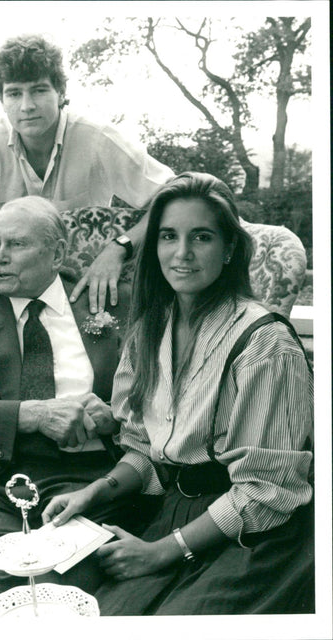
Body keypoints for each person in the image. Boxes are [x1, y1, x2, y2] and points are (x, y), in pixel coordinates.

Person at [41, 172, 314, 615]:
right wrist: (96, 492)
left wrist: (163, 552)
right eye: (168, 236)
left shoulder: (265, 345)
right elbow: (146, 449)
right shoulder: (151, 328)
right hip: (170, 510)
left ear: (229, 250)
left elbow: (267, 491)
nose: (181, 253)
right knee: (75, 606)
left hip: (253, 533)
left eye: (201, 237)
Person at [0, 195, 141, 595]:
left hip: (90, 482)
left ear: (57, 254)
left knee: (62, 588)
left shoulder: (108, 301)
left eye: (15, 245)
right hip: (3, 483)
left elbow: (159, 402)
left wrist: (113, 418)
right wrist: (29, 415)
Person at [0, 34, 174, 314]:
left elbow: (175, 196)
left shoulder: (97, 137)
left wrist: (119, 247)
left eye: (39, 90)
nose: (27, 106)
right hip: (13, 289)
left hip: (84, 287)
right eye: (14, 93)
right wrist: (26, 211)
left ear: (61, 92)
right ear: (1, 98)